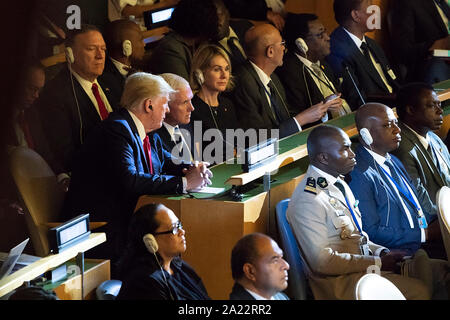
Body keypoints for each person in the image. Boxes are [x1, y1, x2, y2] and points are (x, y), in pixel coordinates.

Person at [63, 72, 212, 272]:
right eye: (165, 104)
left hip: (129, 222)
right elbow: (131, 180)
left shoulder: (146, 132)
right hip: (105, 231)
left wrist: (194, 169)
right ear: (149, 105)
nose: (167, 109)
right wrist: (185, 183)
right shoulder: (116, 130)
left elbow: (168, 162)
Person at [287, 124, 443, 300]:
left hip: (365, 270)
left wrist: (381, 252)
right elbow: (322, 262)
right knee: (419, 291)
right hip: (340, 283)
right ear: (323, 157)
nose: (353, 154)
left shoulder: (338, 182)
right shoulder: (309, 200)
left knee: (440, 273)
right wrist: (377, 262)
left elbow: (358, 237)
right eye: (345, 149)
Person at [349, 103, 440, 257]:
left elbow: (415, 205)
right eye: (387, 125)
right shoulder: (359, 173)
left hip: (422, 243)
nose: (397, 130)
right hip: (401, 254)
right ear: (366, 134)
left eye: (396, 123)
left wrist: (439, 221)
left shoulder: (393, 160)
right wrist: (425, 234)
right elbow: (371, 231)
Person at [36, 25, 120, 178]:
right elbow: (65, 154)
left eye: (103, 49)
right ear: (70, 54)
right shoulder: (56, 94)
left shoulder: (111, 82)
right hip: (95, 174)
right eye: (91, 49)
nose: (100, 56)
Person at [232, 23, 342, 139]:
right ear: (270, 51)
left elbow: (287, 117)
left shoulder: (273, 77)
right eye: (282, 44)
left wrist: (322, 108)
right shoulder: (243, 81)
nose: (285, 48)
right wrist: (301, 119)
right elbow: (256, 137)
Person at [117, 203, 210, 300]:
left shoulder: (179, 266)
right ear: (150, 241)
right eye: (174, 228)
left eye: (179, 225)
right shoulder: (144, 283)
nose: (182, 231)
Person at [277, 13, 351, 128]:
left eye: (325, 32)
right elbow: (298, 118)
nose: (328, 37)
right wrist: (324, 108)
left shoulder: (323, 63)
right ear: (300, 43)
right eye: (320, 34)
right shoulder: (290, 72)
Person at [327, 0, 399, 108]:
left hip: (395, 104)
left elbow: (392, 80)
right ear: (355, 15)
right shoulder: (336, 50)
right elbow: (356, 98)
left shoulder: (372, 44)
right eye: (371, 8)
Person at [392, 83, 450, 211]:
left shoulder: (433, 137)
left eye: (439, 105)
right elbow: (422, 205)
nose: (440, 111)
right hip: (437, 221)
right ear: (411, 110)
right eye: (431, 106)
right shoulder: (402, 149)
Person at [148, 0, 225, 80]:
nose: (219, 23)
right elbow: (183, 90)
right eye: (215, 18)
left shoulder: (196, 44)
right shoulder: (170, 50)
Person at [189, 44, 238, 163]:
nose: (224, 75)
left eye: (226, 69)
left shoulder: (227, 104)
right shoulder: (192, 109)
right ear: (200, 74)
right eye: (217, 69)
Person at [389, 0, 450, 84]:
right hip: (428, 76)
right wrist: (439, 44)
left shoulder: (442, 4)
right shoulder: (408, 3)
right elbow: (402, 51)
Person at [100, 19, 146, 106]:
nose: (144, 44)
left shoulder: (136, 67)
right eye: (140, 40)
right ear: (126, 46)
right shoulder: (106, 79)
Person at [229, 233, 289, 300]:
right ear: (250, 271)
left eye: (281, 257)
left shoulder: (281, 297)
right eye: (275, 260)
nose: (286, 266)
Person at [150, 73, 194, 163]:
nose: (192, 108)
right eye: (185, 102)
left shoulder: (186, 124)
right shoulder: (152, 136)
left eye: (190, 100)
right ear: (165, 104)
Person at [214, 0, 253, 70]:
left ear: (227, 15)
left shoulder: (246, 28)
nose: (217, 22)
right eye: (212, 18)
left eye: (219, 15)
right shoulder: (208, 48)